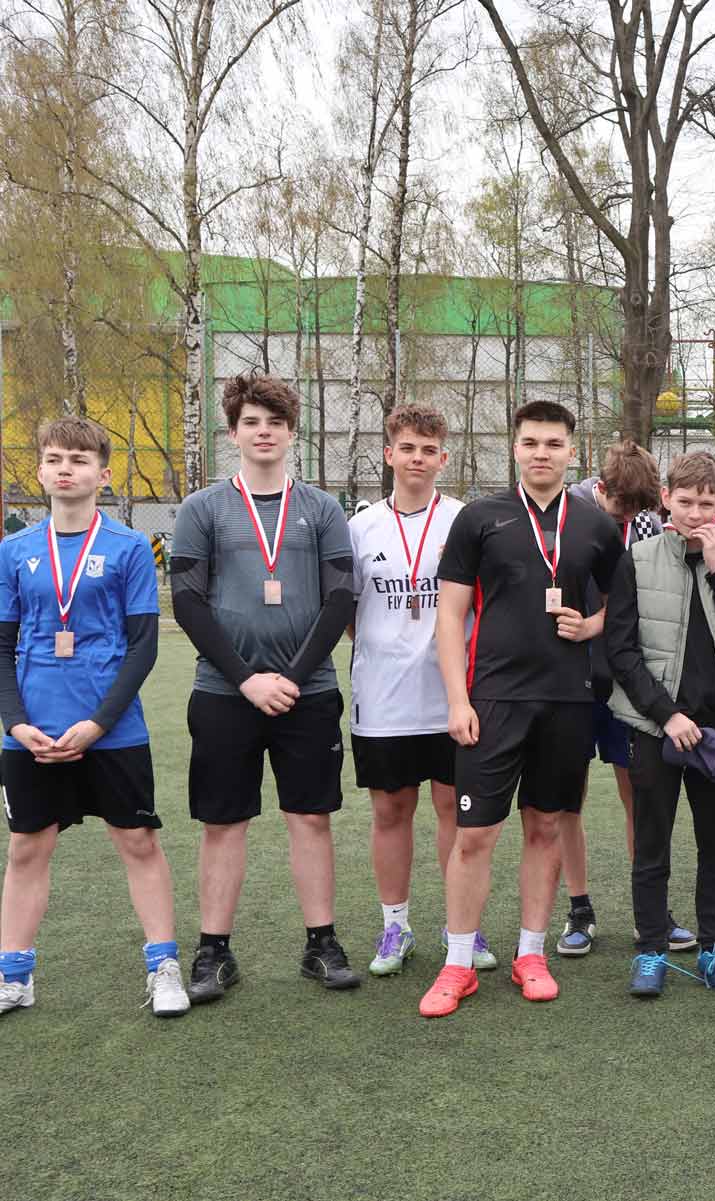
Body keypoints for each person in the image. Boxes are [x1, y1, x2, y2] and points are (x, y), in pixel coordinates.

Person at [419, 400, 622, 1017]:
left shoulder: (596, 525)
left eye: (554, 444)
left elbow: (622, 605)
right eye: (531, 442)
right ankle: (458, 963)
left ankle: (531, 954)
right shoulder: (480, 518)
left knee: (546, 827)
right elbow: (449, 616)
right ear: (515, 448)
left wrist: (591, 626)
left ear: (572, 451)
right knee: (475, 834)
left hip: (567, 701)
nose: (542, 453)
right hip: (493, 700)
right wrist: (457, 700)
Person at [172, 373, 360, 1001]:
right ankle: (213, 951)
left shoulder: (322, 509)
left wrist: (291, 678)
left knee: (310, 818)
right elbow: (188, 603)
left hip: (309, 691)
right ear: (232, 432)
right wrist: (248, 679)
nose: (263, 433)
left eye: (275, 423)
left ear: (290, 432)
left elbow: (340, 599)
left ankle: (321, 944)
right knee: (223, 822)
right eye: (251, 422)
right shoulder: (202, 509)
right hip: (225, 692)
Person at [0, 417, 187, 1019]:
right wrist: (15, 723)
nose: (66, 469)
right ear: (39, 470)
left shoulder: (129, 547)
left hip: (113, 730)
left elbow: (143, 647)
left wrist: (100, 723)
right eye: (55, 458)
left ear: (103, 475)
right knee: (26, 849)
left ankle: (163, 965)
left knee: (138, 841)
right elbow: (2, 647)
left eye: (79, 460)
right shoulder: (14, 551)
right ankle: (14, 975)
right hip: (33, 732)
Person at [347, 404, 496, 977]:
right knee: (390, 809)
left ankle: (462, 926)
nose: (417, 458)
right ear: (389, 454)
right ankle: (395, 926)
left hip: (453, 695)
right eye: (407, 448)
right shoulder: (361, 527)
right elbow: (350, 613)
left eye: (428, 450)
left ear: (444, 458)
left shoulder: (465, 521)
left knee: (453, 808)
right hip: (383, 695)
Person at [607, 452, 715, 998]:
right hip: (656, 727)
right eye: (686, 501)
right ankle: (651, 950)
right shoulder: (637, 559)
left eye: (706, 504)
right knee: (652, 844)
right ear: (667, 499)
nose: (695, 514)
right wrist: (666, 714)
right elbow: (621, 650)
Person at [560, 442, 693, 956]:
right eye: (622, 507)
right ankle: (579, 909)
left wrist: (597, 624)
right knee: (567, 798)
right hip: (568, 679)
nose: (629, 517)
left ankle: (650, 911)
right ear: (602, 488)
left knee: (640, 796)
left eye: (639, 509)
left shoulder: (648, 523)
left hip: (626, 680)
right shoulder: (567, 514)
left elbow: (641, 598)